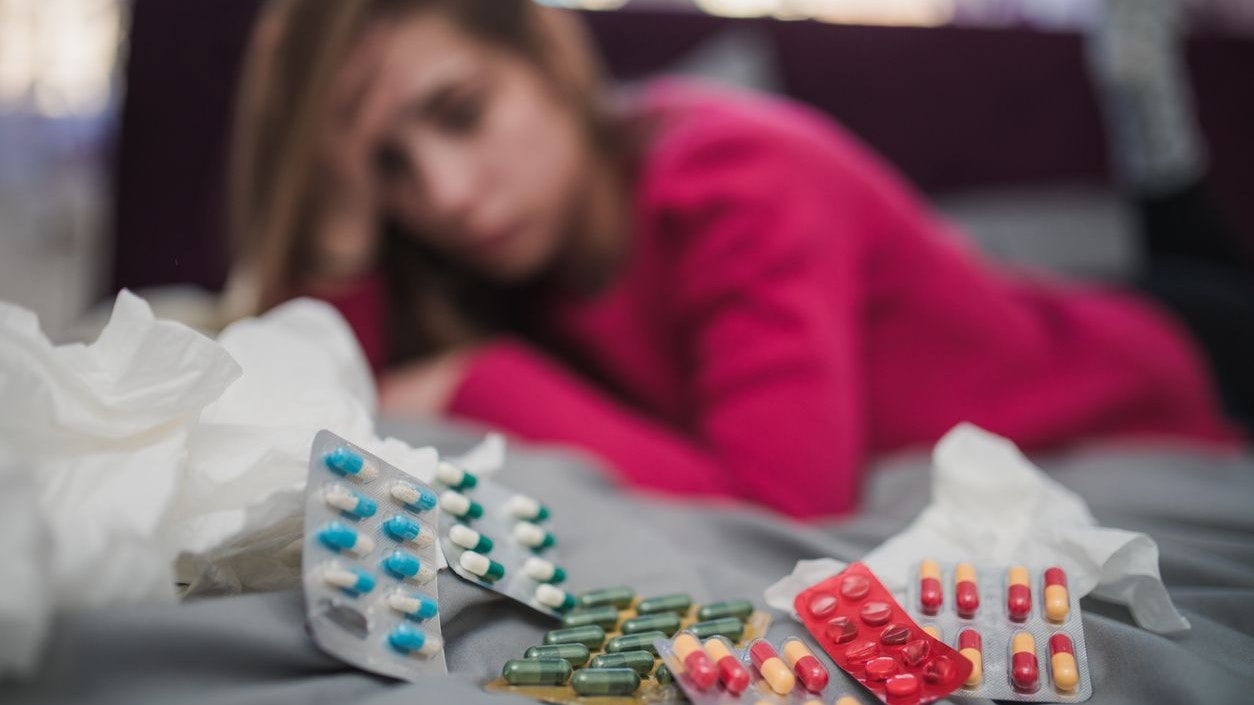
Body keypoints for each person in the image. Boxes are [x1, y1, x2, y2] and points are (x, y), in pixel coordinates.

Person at [228, 0, 1238, 518]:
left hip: (1141, 359)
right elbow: (314, 383)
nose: (443, 195)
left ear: (546, 56)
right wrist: (336, 215)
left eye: (462, 113)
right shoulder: (489, 255)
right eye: (389, 169)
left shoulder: (738, 176)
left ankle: (1151, 115)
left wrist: (477, 380)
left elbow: (785, 505)